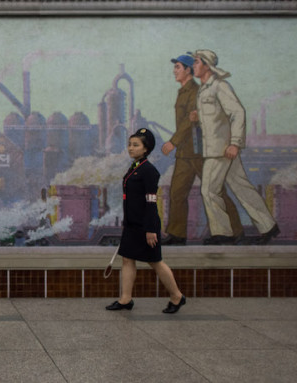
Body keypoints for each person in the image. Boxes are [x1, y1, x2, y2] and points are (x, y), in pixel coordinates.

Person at [190, 49, 280, 245]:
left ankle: (223, 233)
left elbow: (238, 112)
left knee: (209, 190)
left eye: (196, 62)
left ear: (207, 65)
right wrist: (197, 119)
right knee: (241, 187)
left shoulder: (220, 86)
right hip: (216, 148)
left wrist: (235, 143)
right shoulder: (204, 89)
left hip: (221, 150)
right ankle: (268, 226)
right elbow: (215, 119)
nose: (193, 66)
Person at [161, 54, 243, 245]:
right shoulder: (183, 91)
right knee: (177, 193)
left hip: (199, 151)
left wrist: (173, 141)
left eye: (178, 67)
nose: (174, 71)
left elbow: (189, 121)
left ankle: (235, 231)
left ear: (188, 70)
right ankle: (177, 234)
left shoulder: (195, 92)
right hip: (185, 153)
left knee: (216, 191)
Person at [106, 128, 186, 314]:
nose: (130, 148)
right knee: (127, 260)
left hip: (145, 225)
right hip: (132, 224)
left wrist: (150, 229)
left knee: (155, 261)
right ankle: (125, 299)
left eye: (136, 145)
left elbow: (151, 202)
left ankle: (177, 296)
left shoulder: (149, 171)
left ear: (146, 149)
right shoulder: (135, 168)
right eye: (130, 144)